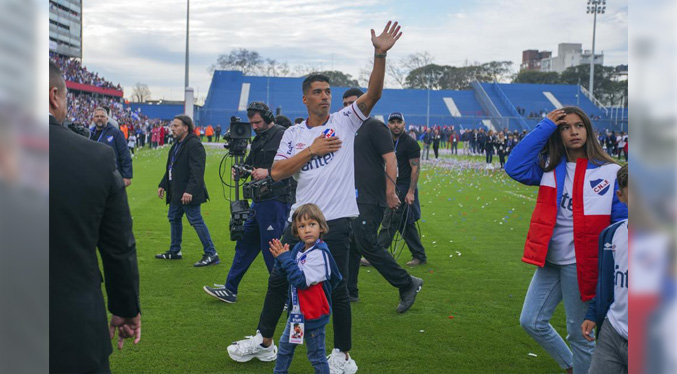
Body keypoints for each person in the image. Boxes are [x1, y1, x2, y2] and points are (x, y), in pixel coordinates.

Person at [226, 21, 402, 374]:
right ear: (305, 98)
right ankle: (264, 343)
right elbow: (277, 172)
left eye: (328, 91)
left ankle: (343, 354)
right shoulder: (292, 133)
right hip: (299, 219)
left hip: (334, 221)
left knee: (336, 289)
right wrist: (314, 149)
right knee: (278, 279)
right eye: (318, 92)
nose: (325, 96)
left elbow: (373, 95)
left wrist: (379, 55)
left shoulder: (345, 120)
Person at [505, 107, 628, 374]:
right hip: (550, 260)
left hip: (581, 264)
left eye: (579, 126)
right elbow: (513, 167)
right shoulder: (548, 167)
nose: (573, 132)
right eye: (565, 127)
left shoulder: (610, 171)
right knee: (531, 321)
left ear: (588, 130)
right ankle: (572, 365)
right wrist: (545, 125)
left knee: (579, 335)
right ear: (557, 134)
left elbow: (621, 225)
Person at [49, 60, 141, 373]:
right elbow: (119, 247)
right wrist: (125, 307)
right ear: (54, 96)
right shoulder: (95, 157)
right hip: (72, 329)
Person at [342, 89, 424, 312]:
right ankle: (349, 291)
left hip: (371, 196)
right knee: (352, 243)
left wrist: (390, 192)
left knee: (367, 242)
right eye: (346, 104)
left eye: (353, 103)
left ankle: (407, 283)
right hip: (352, 196)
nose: (349, 107)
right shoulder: (347, 130)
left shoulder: (374, 127)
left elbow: (391, 160)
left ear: (364, 104)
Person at [203, 102, 291, 303]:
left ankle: (286, 298)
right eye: (252, 123)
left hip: (276, 201)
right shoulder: (259, 138)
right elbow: (251, 163)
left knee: (273, 250)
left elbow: (291, 166)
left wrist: (268, 173)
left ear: (268, 117)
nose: (255, 126)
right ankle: (230, 289)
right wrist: (242, 170)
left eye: (258, 122)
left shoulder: (284, 135)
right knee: (244, 245)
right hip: (259, 201)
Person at [269, 204, 343, 374]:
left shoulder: (320, 254)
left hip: (313, 316)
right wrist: (280, 259)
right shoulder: (299, 249)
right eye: (302, 226)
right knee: (285, 349)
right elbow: (287, 272)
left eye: (312, 224)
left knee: (316, 356)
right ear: (296, 231)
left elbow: (300, 280)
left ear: (321, 227)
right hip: (298, 315)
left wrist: (285, 259)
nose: (307, 230)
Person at [581, 164, 629, 373]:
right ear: (621, 196)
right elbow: (607, 280)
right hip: (613, 330)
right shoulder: (611, 235)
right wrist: (593, 313)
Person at [155, 115, 220, 267]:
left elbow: (197, 171)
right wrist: (163, 184)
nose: (172, 128)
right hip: (176, 192)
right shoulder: (177, 144)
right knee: (174, 217)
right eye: (172, 126)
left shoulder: (194, 144)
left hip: (187, 193)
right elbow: (171, 167)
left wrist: (189, 191)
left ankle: (211, 253)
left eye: (176, 126)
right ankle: (175, 251)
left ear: (186, 127)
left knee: (196, 220)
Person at [377, 112, 427, 266]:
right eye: (393, 122)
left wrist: (411, 192)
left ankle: (377, 254)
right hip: (390, 184)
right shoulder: (385, 141)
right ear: (388, 124)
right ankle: (419, 255)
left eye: (399, 122)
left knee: (390, 220)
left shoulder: (410, 143)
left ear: (404, 124)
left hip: (404, 186)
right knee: (405, 223)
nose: (396, 125)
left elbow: (415, 169)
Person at [90, 107, 133, 187]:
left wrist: (127, 176)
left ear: (107, 118)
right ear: (93, 119)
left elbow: (125, 154)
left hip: (112, 176)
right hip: (94, 176)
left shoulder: (116, 133)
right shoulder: (89, 133)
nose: (99, 118)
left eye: (102, 116)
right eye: (97, 116)